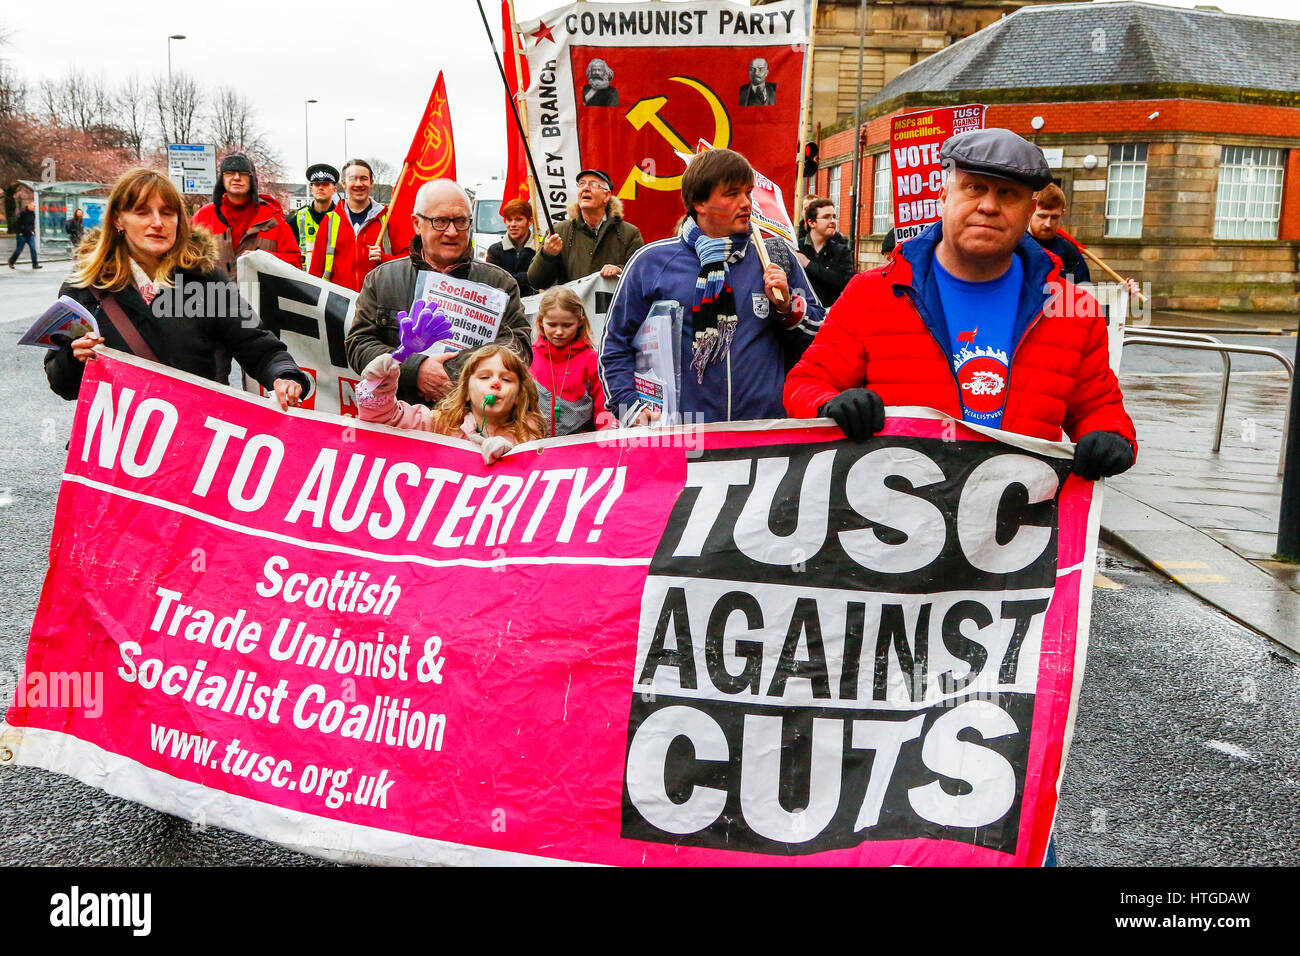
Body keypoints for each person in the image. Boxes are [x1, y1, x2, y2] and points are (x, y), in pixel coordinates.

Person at [784, 127, 1137, 482]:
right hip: (894, 516)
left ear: (1029, 209)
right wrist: (830, 404)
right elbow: (806, 383)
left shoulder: (1074, 309)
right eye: (975, 188)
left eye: (1008, 194)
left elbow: (1099, 407)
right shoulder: (872, 293)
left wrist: (1110, 436)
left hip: (1016, 521)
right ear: (944, 194)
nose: (988, 205)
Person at [45, 168, 310, 410]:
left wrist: (284, 375)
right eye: (142, 212)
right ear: (118, 220)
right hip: (114, 448)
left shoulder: (206, 281)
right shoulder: (84, 286)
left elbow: (255, 344)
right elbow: (63, 385)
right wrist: (72, 357)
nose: (157, 222)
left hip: (193, 439)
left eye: (167, 212)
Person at [600, 147, 824, 425]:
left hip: (765, 439)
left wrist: (788, 309)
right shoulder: (650, 263)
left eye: (748, 192)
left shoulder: (775, 257)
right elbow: (614, 346)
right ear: (699, 203)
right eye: (732, 194)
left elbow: (822, 338)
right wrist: (628, 407)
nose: (746, 203)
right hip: (683, 439)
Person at [345, 178, 532, 409]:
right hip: (400, 420)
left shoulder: (500, 283)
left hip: (476, 421)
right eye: (441, 221)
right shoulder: (382, 279)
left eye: (461, 221)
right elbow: (359, 344)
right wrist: (415, 368)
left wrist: (454, 372)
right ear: (417, 223)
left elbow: (520, 347)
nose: (452, 232)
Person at [357, 345, 545, 465]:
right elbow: (385, 419)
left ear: (520, 396)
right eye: (484, 377)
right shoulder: (440, 424)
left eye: (506, 379)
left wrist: (511, 456)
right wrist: (382, 385)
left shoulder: (528, 439)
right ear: (466, 393)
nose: (495, 383)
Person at [527, 169, 644, 291]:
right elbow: (536, 282)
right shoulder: (558, 232)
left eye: (593, 184)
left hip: (614, 308)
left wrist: (620, 270)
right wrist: (547, 255)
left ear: (607, 195)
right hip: (573, 309)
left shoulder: (630, 233)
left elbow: (643, 275)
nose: (585, 188)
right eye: (582, 184)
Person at [192, 153, 300, 276]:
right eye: (230, 172)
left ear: (252, 179)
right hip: (213, 293)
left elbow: (295, 264)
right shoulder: (203, 216)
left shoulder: (272, 218)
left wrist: (264, 259)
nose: (237, 178)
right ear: (222, 178)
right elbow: (184, 258)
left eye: (243, 173)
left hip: (259, 294)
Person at [531, 286, 614, 436]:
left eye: (567, 325)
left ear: (580, 322)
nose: (559, 332)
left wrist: (606, 440)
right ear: (541, 322)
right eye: (552, 324)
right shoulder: (529, 356)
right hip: (534, 445)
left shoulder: (592, 360)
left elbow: (603, 408)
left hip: (579, 449)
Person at [308, 158, 394, 291]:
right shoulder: (329, 221)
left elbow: (407, 258)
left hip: (378, 302)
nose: (358, 184)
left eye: (364, 178)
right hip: (338, 305)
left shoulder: (387, 218)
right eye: (353, 179)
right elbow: (316, 269)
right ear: (344, 183)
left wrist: (384, 258)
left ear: (371, 183)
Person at [1028, 182, 1090, 284]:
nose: (1048, 224)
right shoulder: (1015, 245)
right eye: (1042, 216)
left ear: (1062, 214)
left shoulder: (1069, 251)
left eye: (1054, 217)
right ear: (1029, 211)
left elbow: (1083, 290)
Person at [797, 198, 854, 307]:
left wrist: (808, 264)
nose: (832, 221)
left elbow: (844, 282)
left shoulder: (841, 251)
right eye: (826, 217)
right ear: (811, 222)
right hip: (801, 313)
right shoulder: (797, 248)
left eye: (834, 217)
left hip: (828, 316)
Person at [288, 163, 339, 270]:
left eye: (325, 184)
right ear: (311, 189)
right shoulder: (298, 219)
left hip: (333, 284)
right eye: (316, 184)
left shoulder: (342, 218)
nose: (320, 187)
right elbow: (288, 253)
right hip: (304, 281)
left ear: (334, 189)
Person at [486, 199, 537, 296]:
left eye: (518, 219)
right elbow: (494, 282)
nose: (513, 224)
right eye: (509, 220)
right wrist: (526, 277)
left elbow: (543, 279)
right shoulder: (495, 250)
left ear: (530, 221)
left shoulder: (539, 249)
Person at [7, 199, 40, 269]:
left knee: (33, 248)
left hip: (30, 235)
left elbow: (32, 224)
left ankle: (35, 264)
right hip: (22, 235)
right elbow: (17, 224)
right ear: (29, 205)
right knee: (19, 249)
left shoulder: (33, 214)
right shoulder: (22, 213)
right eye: (33, 206)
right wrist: (20, 232)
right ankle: (11, 261)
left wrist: (33, 231)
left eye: (35, 206)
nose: (34, 208)